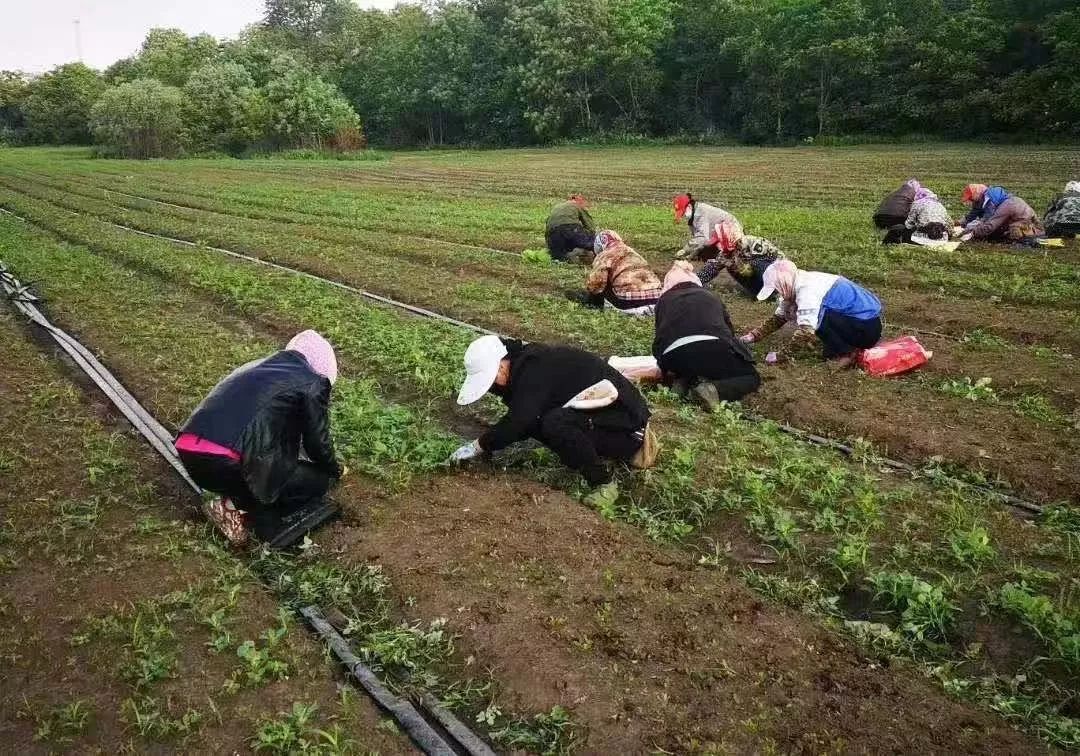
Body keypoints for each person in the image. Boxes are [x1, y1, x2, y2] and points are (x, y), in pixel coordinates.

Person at [175, 330, 344, 548]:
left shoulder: (259, 367)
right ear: (323, 369)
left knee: (271, 470)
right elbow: (317, 442)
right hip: (225, 463)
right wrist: (334, 470)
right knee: (316, 482)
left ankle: (234, 498)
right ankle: (235, 509)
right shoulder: (313, 382)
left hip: (190, 453)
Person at [449, 335, 657, 509]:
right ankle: (586, 453)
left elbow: (519, 421)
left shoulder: (533, 370)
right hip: (606, 421)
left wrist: (479, 446)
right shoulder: (528, 365)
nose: (493, 390)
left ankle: (604, 483)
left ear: (502, 367)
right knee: (540, 420)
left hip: (629, 431)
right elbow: (525, 420)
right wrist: (488, 445)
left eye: (491, 382)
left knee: (553, 423)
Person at [653, 262, 761, 411]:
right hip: (712, 347)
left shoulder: (663, 301)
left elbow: (659, 337)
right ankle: (713, 390)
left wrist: (665, 366)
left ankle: (683, 380)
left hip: (672, 355)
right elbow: (729, 333)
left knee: (688, 360)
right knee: (751, 377)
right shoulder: (710, 296)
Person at [741, 260, 883, 368]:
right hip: (860, 322)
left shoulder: (806, 290)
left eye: (778, 289)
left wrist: (780, 356)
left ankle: (848, 352)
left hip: (866, 328)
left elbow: (806, 331)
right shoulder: (797, 280)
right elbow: (780, 317)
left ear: (783, 283)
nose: (779, 294)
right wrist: (753, 336)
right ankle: (841, 346)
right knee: (817, 318)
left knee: (816, 320)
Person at [571, 229, 662, 315]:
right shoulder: (634, 253)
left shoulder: (604, 255)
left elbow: (595, 284)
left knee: (601, 284)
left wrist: (590, 296)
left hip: (628, 303)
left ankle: (592, 305)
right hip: (656, 300)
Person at [696, 220, 784, 296]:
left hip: (779, 273)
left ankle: (775, 292)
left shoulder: (752, 243)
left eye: (720, 240)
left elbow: (778, 260)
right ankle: (758, 293)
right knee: (731, 267)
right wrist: (694, 281)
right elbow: (712, 267)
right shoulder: (726, 253)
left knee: (755, 264)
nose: (718, 245)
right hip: (764, 276)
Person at [960, 184, 1044, 244]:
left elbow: (990, 225)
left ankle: (1032, 236)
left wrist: (972, 233)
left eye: (971, 198)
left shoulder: (1000, 205)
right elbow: (973, 213)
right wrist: (960, 223)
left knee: (1015, 237)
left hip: (1019, 214)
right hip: (1022, 208)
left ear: (976, 194)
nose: (971, 200)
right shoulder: (983, 197)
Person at [673, 193, 743, 260]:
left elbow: (702, 237)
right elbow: (699, 238)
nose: (684, 215)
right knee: (703, 252)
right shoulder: (694, 215)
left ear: (689, 206)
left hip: (731, 231)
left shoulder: (701, 213)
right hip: (720, 234)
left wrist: (685, 250)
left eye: (684, 212)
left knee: (714, 255)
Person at [882, 185, 953, 244]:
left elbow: (908, 224)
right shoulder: (940, 205)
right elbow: (950, 224)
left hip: (924, 238)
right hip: (941, 238)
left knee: (898, 227)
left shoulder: (917, 204)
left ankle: (888, 243)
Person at [545, 194, 597, 263]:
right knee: (590, 243)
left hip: (553, 235)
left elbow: (548, 225)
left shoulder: (557, 207)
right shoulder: (576, 205)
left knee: (559, 256)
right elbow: (590, 225)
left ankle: (566, 257)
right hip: (570, 229)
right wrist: (591, 236)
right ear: (576, 200)